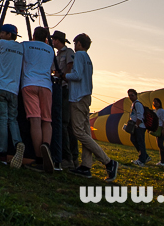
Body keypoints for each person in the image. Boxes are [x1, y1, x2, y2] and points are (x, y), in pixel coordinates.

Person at [65, 33, 119, 181]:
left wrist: (65, 76)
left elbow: (77, 75)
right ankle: (86, 166)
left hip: (77, 97)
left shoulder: (79, 55)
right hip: (86, 96)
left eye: (75, 43)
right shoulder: (88, 59)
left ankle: (108, 162)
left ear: (79, 44)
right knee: (86, 133)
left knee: (78, 132)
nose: (74, 46)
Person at [0, 23, 25, 168]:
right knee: (13, 120)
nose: (1, 35)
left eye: (3, 33)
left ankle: (2, 153)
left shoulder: (2, 43)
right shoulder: (21, 47)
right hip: (13, 89)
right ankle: (18, 143)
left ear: (9, 35)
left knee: (2, 120)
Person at [21, 26, 56, 173]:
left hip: (29, 83)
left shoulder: (25, 45)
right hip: (46, 85)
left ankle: (39, 158)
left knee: (35, 120)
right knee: (46, 120)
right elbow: (52, 68)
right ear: (46, 38)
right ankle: (46, 145)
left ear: (33, 36)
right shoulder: (50, 50)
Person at [51, 31, 78, 170]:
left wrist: (62, 75)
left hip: (65, 89)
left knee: (65, 123)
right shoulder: (56, 55)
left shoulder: (68, 52)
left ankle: (70, 158)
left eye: (53, 40)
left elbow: (69, 68)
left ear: (57, 40)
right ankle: (67, 156)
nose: (52, 42)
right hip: (58, 88)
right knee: (61, 122)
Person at [128, 89, 150, 166]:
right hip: (135, 125)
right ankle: (145, 156)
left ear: (136, 95)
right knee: (133, 140)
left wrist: (137, 125)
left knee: (140, 142)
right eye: (129, 95)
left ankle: (142, 160)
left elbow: (140, 115)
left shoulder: (138, 104)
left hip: (139, 126)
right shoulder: (133, 104)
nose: (131, 97)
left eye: (132, 95)